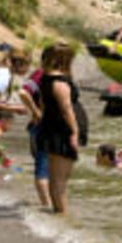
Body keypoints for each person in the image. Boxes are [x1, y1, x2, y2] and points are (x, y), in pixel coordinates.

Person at [36, 43, 84, 215]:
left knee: (56, 176)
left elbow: (43, 104)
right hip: (61, 131)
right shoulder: (59, 82)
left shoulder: (45, 78)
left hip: (52, 128)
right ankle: (61, 213)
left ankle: (58, 211)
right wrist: (74, 132)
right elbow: (66, 109)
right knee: (60, 179)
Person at [19, 46, 51, 209]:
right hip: (46, 127)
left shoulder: (41, 75)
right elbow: (23, 92)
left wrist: (35, 111)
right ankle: (48, 205)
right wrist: (36, 111)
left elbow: (24, 93)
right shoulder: (41, 75)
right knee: (45, 166)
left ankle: (48, 204)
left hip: (43, 127)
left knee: (43, 165)